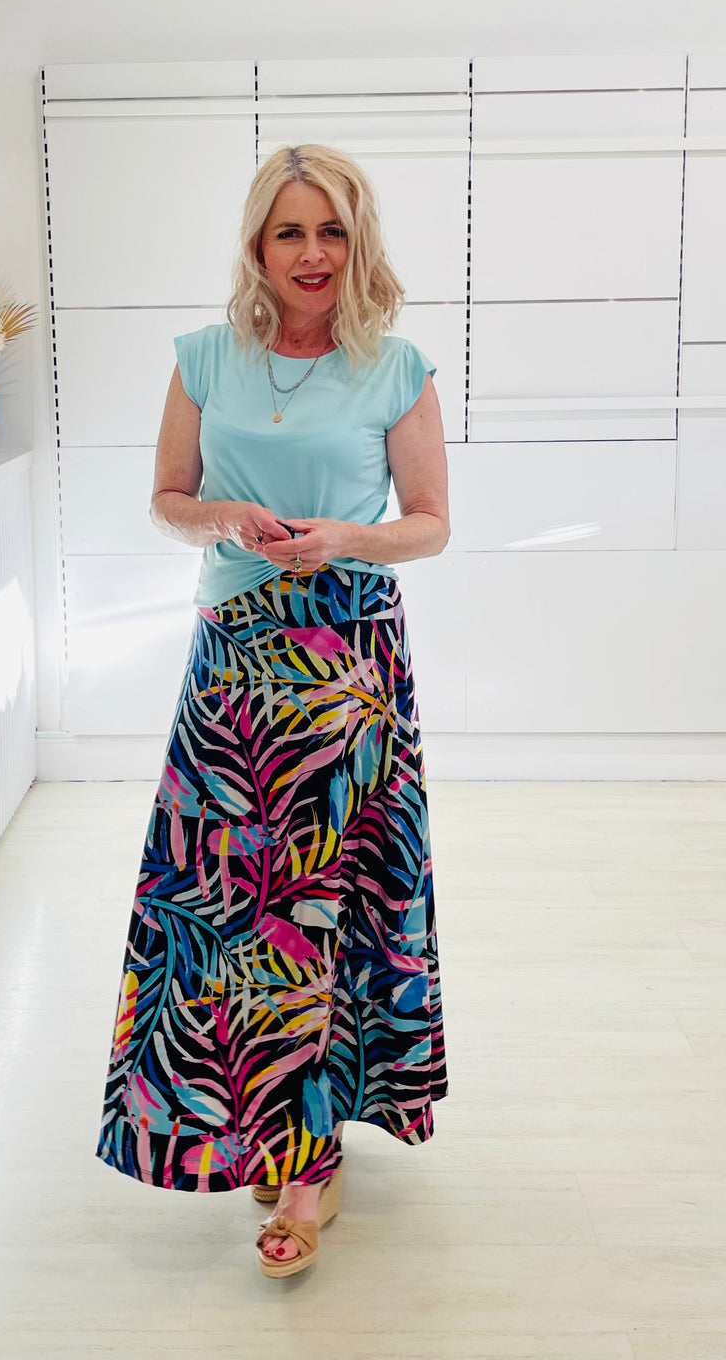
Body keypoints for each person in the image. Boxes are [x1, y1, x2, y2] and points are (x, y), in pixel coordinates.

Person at [96, 143, 450, 1279]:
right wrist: (219, 518)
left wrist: (341, 534)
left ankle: (306, 1165)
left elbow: (430, 522)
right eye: (289, 231)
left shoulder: (393, 368)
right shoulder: (205, 359)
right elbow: (163, 498)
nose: (311, 254)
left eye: (332, 232)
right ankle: (261, 1120)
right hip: (233, 658)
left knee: (326, 909)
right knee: (227, 911)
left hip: (345, 660)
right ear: (257, 243)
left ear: (359, 245)